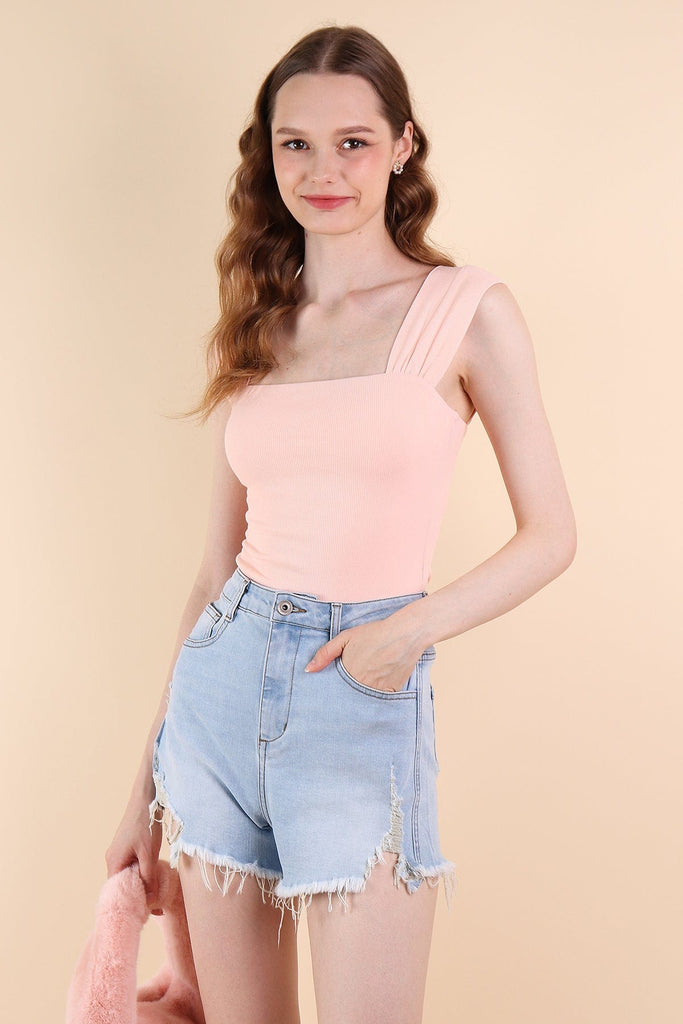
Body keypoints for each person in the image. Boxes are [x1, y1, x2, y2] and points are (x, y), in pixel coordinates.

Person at [105, 23, 576, 1024]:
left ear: (401, 145)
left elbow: (551, 534)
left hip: (357, 695)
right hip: (217, 702)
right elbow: (212, 574)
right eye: (296, 144)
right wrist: (144, 787)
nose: (323, 171)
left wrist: (406, 632)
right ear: (267, 154)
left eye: (352, 142)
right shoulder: (258, 323)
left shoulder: (464, 311)